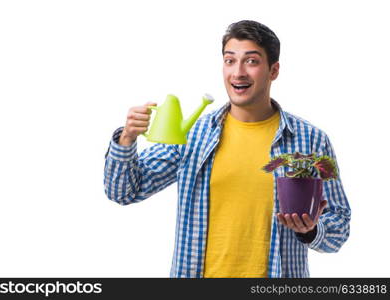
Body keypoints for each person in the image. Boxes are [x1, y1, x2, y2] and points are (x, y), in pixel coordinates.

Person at [103, 20, 351, 278]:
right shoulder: (192, 135)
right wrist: (127, 139)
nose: (238, 72)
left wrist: (310, 231)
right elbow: (124, 192)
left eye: (252, 61)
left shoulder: (310, 140)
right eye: (230, 60)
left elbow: (339, 225)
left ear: (273, 70)